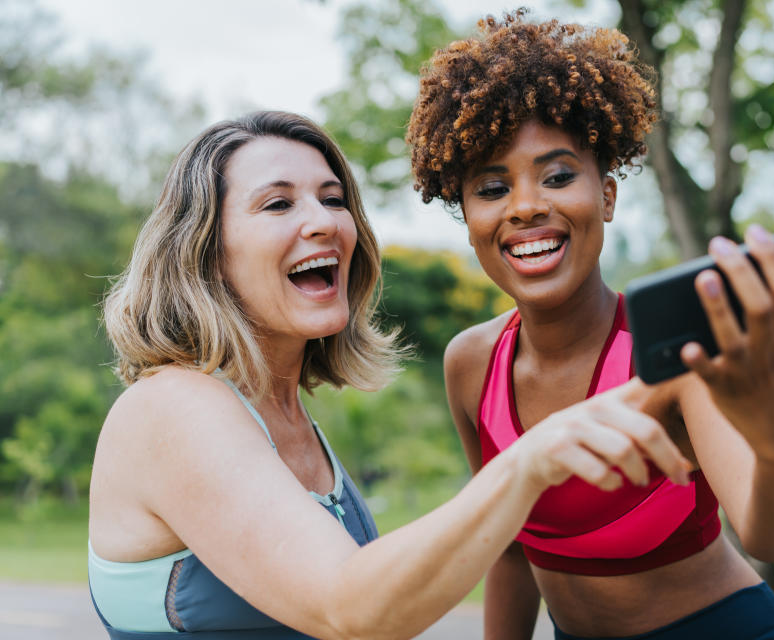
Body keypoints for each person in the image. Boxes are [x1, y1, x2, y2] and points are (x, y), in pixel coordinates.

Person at [88, 110, 694, 639]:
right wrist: (528, 462)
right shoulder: (172, 406)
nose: (325, 221)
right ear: (206, 252)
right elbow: (349, 607)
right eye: (278, 204)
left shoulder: (286, 417)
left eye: (333, 199)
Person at [406, 12, 774, 640]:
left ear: (605, 193)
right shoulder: (470, 363)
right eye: (492, 188)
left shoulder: (672, 353)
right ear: (466, 215)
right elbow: (510, 546)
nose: (525, 206)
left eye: (557, 176)